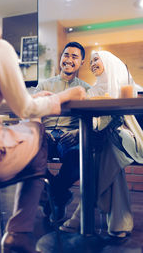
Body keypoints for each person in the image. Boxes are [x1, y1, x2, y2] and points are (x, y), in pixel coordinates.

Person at [0, 1, 86, 253]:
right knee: (37, 131)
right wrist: (62, 97)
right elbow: (26, 110)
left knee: (34, 138)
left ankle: (43, 196)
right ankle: (19, 231)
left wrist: (35, 101)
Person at [59, 50, 143, 238]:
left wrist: (91, 130)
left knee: (105, 145)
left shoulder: (127, 86)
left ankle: (81, 213)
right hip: (106, 141)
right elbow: (94, 120)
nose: (92, 63)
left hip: (128, 137)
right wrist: (86, 130)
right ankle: (120, 222)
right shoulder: (92, 91)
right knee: (106, 151)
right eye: (90, 61)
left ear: (109, 62)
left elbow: (120, 118)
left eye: (96, 59)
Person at [34, 42, 91, 222]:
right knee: (28, 154)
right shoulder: (43, 85)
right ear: (60, 59)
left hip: (70, 137)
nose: (69, 59)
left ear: (81, 62)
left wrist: (76, 133)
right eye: (66, 55)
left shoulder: (87, 89)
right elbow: (32, 110)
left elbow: (91, 119)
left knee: (80, 157)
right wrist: (42, 130)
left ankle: (54, 194)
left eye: (75, 57)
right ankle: (60, 196)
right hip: (47, 135)